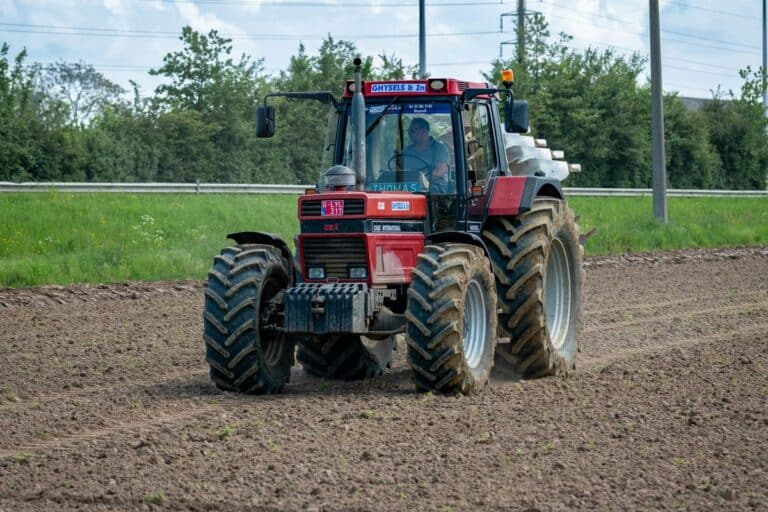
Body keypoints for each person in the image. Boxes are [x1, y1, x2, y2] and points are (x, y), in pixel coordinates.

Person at [402, 118, 452, 193]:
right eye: (409, 131)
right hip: (408, 188)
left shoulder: (439, 148)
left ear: (424, 131)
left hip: (434, 191)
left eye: (413, 130)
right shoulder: (406, 151)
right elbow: (398, 170)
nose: (409, 133)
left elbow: (440, 171)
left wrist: (419, 180)